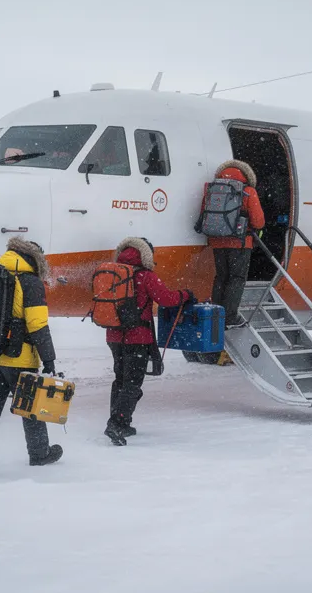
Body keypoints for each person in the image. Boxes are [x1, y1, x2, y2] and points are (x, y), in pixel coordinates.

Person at [0, 237, 63, 475]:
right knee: (30, 406)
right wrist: (49, 359)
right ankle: (40, 453)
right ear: (35, 258)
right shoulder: (30, 283)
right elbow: (37, 325)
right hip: (20, 356)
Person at [102, 237, 192, 446]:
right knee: (132, 383)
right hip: (137, 337)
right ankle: (116, 423)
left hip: (114, 336)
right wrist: (185, 294)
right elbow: (167, 299)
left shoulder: (114, 273)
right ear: (145, 254)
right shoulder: (145, 275)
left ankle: (121, 421)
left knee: (120, 380)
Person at [203, 159, 265, 327]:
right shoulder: (247, 191)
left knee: (221, 277)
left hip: (217, 241)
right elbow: (259, 221)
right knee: (236, 278)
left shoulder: (213, 189)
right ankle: (230, 315)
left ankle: (216, 312)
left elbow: (205, 213)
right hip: (239, 242)